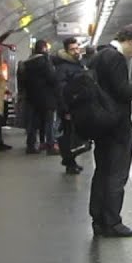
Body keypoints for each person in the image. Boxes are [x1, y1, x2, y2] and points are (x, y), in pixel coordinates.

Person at [89, 25, 132, 238]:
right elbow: (121, 91)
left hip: (102, 125)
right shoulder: (115, 58)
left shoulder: (98, 56)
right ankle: (113, 222)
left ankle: (99, 220)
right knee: (116, 174)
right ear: (130, 41)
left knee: (102, 172)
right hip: (116, 127)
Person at [52, 37, 87, 175]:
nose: (76, 51)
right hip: (68, 107)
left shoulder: (78, 64)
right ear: (66, 50)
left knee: (73, 136)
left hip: (77, 106)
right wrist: (66, 109)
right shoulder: (63, 67)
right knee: (69, 136)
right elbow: (60, 89)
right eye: (72, 49)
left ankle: (70, 161)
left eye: (77, 48)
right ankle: (69, 162)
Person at [21, 40, 59, 155]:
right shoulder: (45, 61)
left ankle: (31, 146)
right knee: (49, 122)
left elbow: (22, 81)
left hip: (32, 97)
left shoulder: (26, 63)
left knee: (33, 123)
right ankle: (50, 145)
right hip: (46, 97)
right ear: (43, 48)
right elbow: (52, 78)